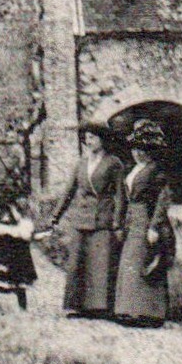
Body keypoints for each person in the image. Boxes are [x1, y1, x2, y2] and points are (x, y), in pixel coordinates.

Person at [47, 118, 128, 318]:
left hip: (103, 220)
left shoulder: (113, 163)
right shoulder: (81, 163)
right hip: (81, 219)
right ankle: (79, 307)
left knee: (100, 265)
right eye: (86, 137)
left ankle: (101, 308)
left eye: (92, 137)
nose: (88, 140)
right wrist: (56, 215)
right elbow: (69, 191)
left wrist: (117, 223)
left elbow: (120, 195)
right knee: (79, 263)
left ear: (102, 139)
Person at [112, 116, 176, 328]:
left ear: (151, 151)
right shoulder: (134, 170)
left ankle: (149, 312)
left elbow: (163, 199)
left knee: (144, 260)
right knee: (131, 260)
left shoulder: (156, 171)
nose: (138, 152)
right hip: (133, 218)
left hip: (146, 218)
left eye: (143, 149)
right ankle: (128, 309)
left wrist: (155, 226)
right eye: (135, 148)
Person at [0, 198, 46, 310]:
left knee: (20, 288)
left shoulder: (22, 228)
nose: (6, 218)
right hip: (7, 262)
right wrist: (0, 262)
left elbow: (29, 238)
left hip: (18, 264)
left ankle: (23, 309)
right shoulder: (2, 231)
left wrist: (43, 234)